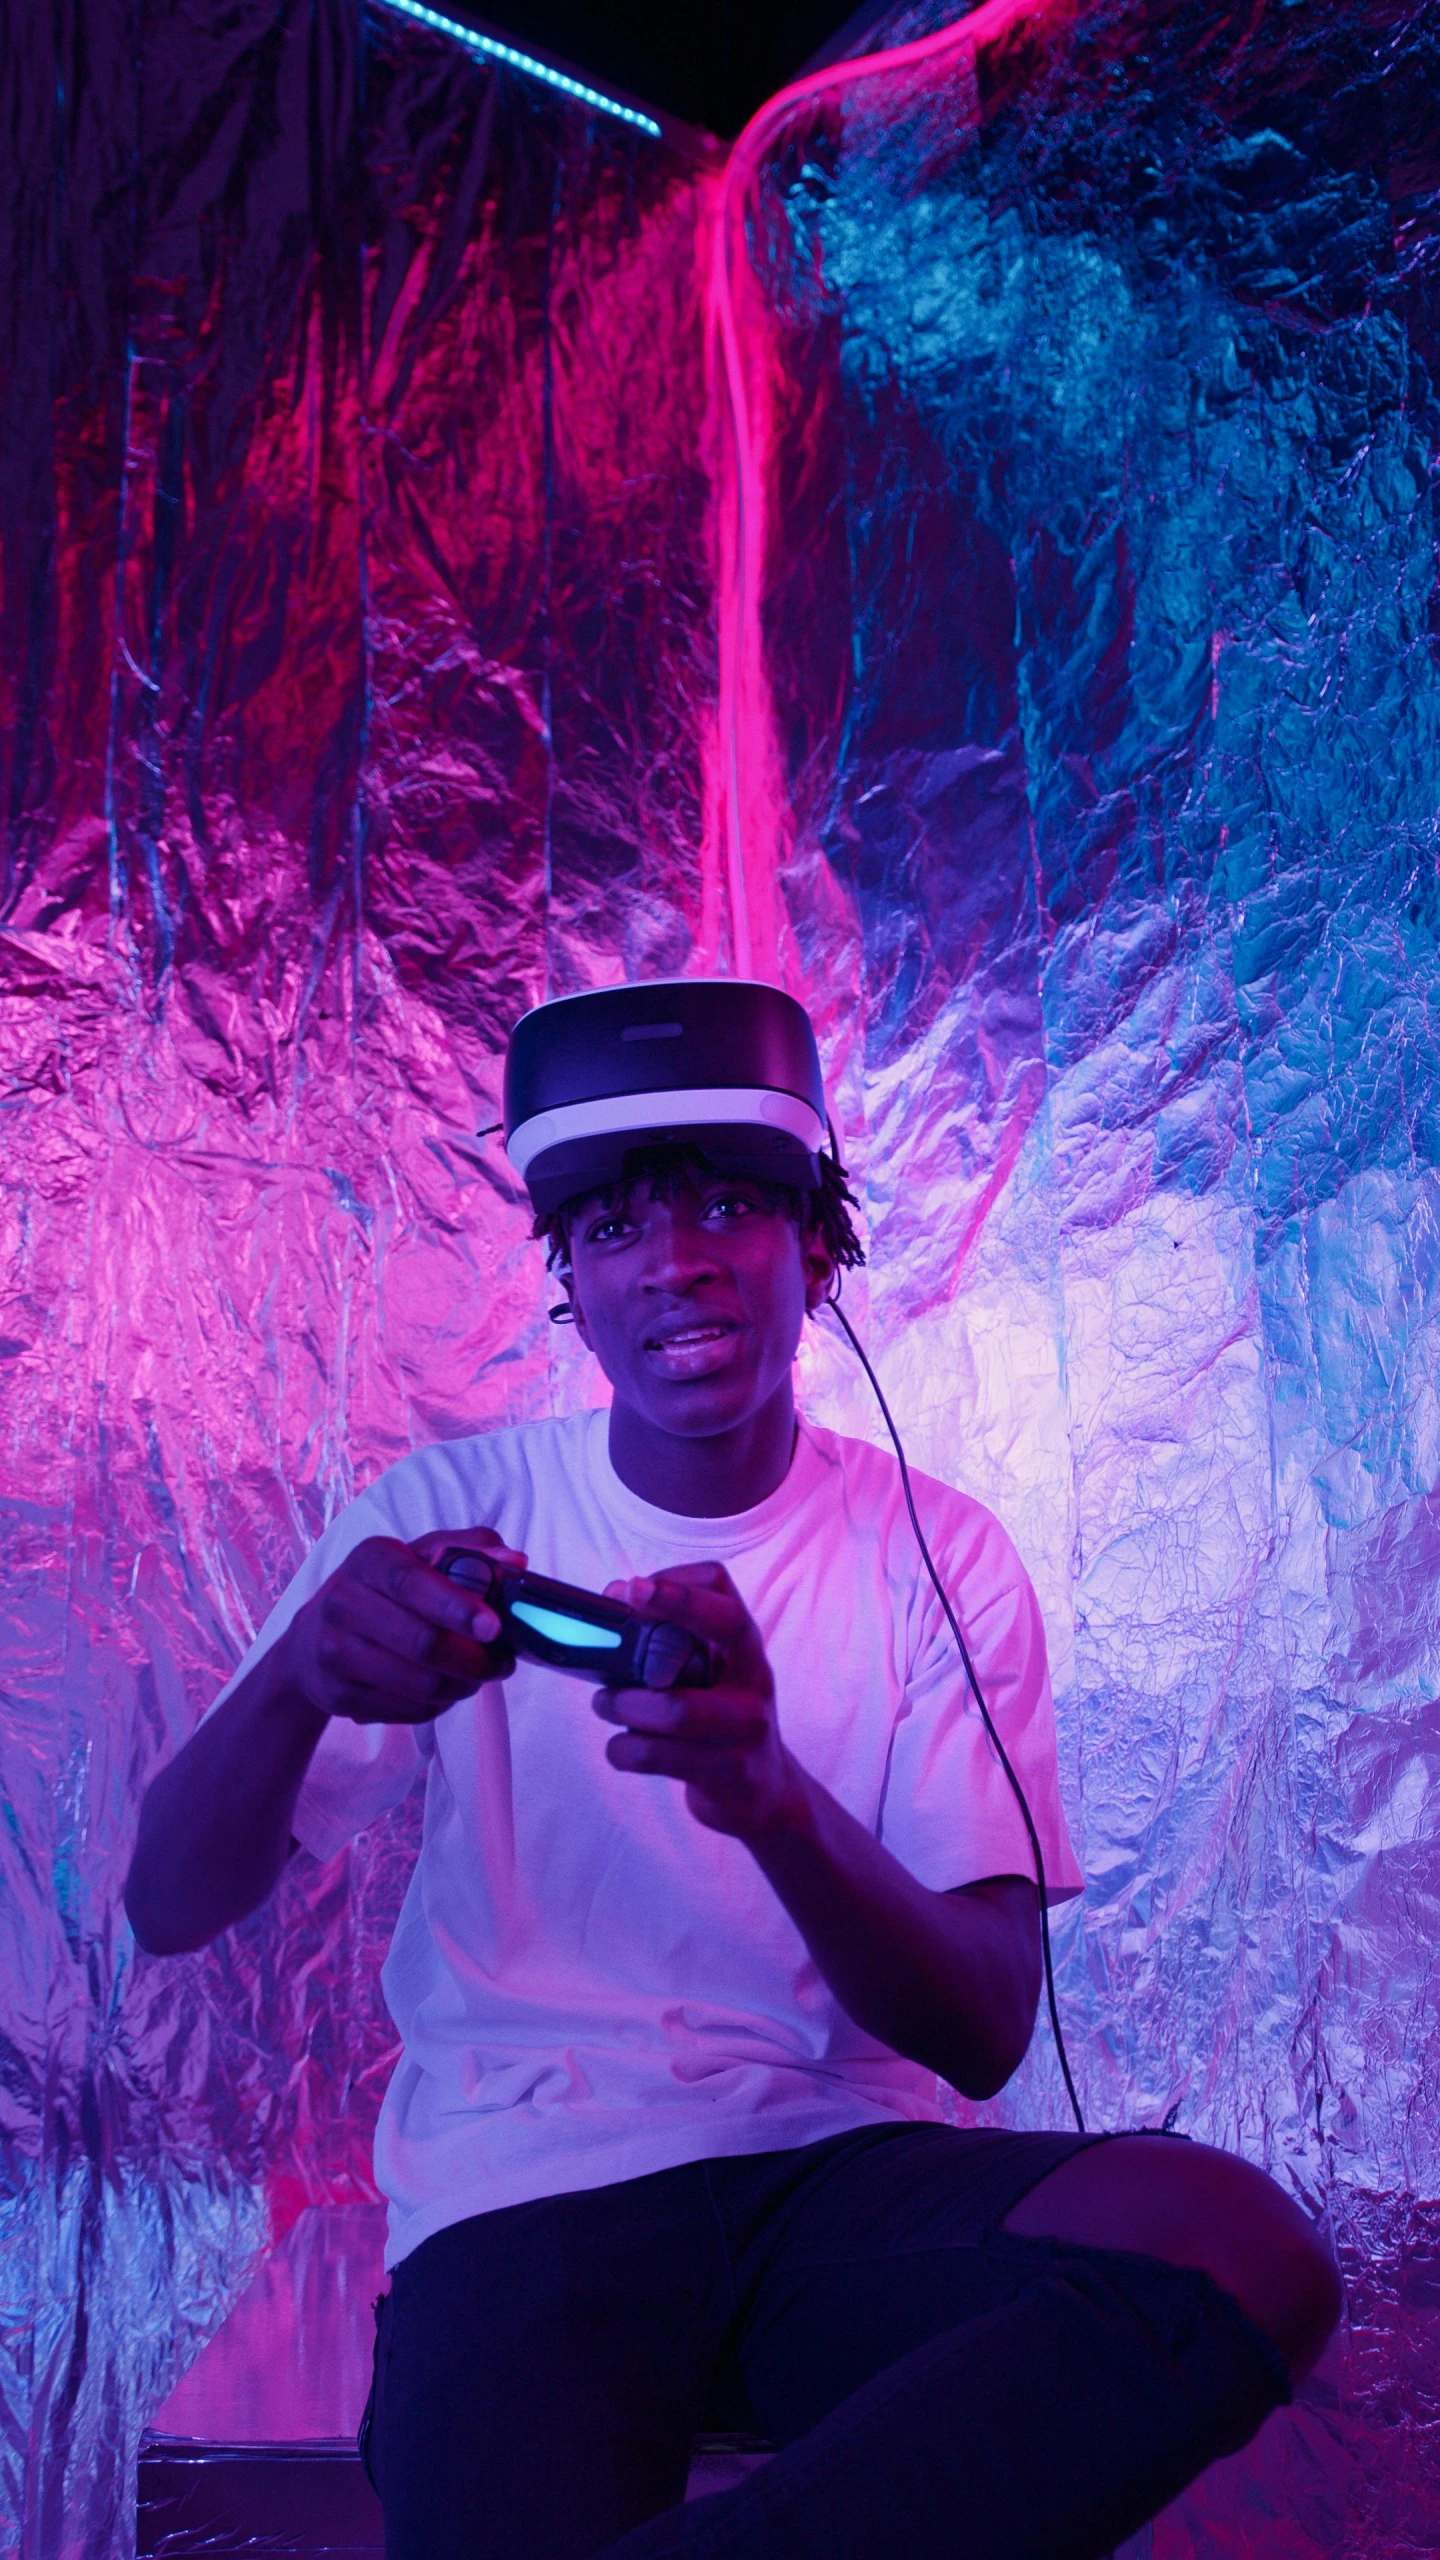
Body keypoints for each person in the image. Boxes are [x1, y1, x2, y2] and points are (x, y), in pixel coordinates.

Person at [125, 981, 1340, 2560]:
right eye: (616, 1226)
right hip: (521, 2201)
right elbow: (165, 1902)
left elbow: (977, 2031)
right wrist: (296, 1678)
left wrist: (771, 1796)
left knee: (1238, 2248)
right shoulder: (453, 1508)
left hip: (836, 2191)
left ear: (816, 1249)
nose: (676, 1261)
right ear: (569, 1275)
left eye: (728, 1207)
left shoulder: (935, 1553)